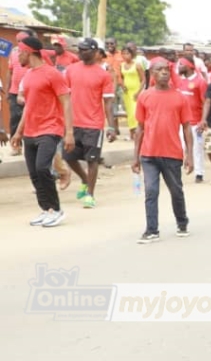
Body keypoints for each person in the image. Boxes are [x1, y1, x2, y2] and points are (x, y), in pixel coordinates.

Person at [10, 36, 74, 227]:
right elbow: (29, 106)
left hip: (50, 128)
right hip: (30, 129)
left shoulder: (52, 74)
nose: (16, 56)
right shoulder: (28, 75)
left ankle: (56, 209)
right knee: (34, 173)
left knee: (42, 168)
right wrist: (19, 132)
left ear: (27, 52)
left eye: (18, 52)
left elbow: (66, 101)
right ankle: (46, 209)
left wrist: (69, 132)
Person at [132, 58, 194, 243]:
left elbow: (186, 128)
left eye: (167, 69)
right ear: (152, 73)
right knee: (151, 191)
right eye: (159, 69)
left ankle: (182, 222)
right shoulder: (144, 97)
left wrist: (189, 155)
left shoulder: (180, 97)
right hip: (149, 153)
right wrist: (135, 157)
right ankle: (152, 230)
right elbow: (140, 128)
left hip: (172, 153)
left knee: (176, 190)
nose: (164, 72)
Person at [63, 38, 116, 208]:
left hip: (93, 124)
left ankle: (90, 194)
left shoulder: (103, 75)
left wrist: (111, 126)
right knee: (68, 157)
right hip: (74, 123)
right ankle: (85, 179)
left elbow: (108, 102)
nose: (81, 52)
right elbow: (66, 98)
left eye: (85, 49)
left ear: (94, 51)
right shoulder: (70, 70)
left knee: (92, 160)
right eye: (80, 49)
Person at [176, 57, 208, 183]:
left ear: (189, 66)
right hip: (180, 122)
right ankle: (184, 168)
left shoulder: (200, 82)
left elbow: (206, 102)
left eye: (181, 64)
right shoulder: (179, 81)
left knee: (196, 148)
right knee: (182, 147)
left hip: (195, 122)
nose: (178, 66)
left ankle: (199, 173)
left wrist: (203, 120)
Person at [121, 46, 146, 139]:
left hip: (136, 92)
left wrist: (138, 92)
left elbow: (143, 79)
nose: (125, 56)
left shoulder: (137, 65)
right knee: (129, 113)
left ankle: (138, 133)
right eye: (123, 53)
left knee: (136, 112)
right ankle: (132, 133)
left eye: (127, 53)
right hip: (127, 93)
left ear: (132, 54)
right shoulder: (122, 65)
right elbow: (122, 77)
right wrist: (122, 85)